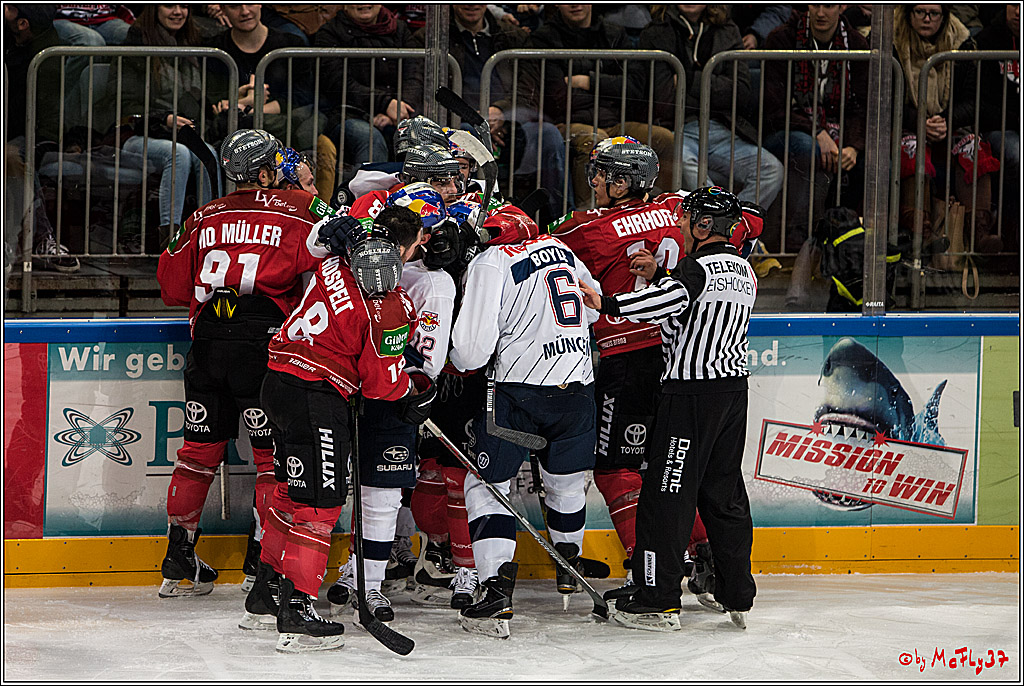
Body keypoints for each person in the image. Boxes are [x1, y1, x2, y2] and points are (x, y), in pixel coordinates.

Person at [246, 204, 434, 652]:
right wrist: (413, 392)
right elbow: (380, 384)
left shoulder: (336, 263)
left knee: (292, 492)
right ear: (405, 251)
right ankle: (298, 610)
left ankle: (268, 589)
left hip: (277, 382)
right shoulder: (391, 304)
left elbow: (319, 241)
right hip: (317, 397)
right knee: (321, 502)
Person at [155, 129, 333, 600]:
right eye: (278, 163)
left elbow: (172, 288)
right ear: (263, 172)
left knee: (197, 452)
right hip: (264, 345)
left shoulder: (201, 216)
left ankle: (178, 554)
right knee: (270, 460)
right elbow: (335, 262)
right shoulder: (300, 209)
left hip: (210, 342)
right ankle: (262, 559)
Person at [579, 186, 757, 632]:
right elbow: (692, 298)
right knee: (725, 495)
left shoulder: (694, 271)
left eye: (685, 220)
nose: (679, 225)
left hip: (690, 397)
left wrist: (607, 301)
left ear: (701, 226)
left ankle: (657, 598)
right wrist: (662, 271)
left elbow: (666, 303)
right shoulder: (743, 270)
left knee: (666, 496)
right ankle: (737, 590)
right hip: (732, 395)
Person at [447, 197, 601, 639]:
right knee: (566, 481)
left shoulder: (491, 261)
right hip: (578, 388)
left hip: (518, 393)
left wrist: (448, 361)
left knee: (486, 485)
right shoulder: (562, 248)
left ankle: (495, 589)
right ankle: (568, 565)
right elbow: (591, 308)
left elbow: (473, 351)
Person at [547, 136, 680, 579]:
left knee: (615, 468)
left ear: (624, 182)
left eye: (603, 173)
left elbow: (540, 242)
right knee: (669, 467)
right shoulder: (679, 209)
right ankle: (699, 556)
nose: (596, 181)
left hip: (628, 359)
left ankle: (646, 570)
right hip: (679, 355)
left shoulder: (589, 228)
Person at [324, 182, 459, 616]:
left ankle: (368, 578)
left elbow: (428, 360)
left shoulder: (433, 283)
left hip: (378, 391)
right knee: (347, 491)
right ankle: (361, 572)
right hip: (351, 386)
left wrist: (413, 384)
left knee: (378, 494)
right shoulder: (361, 258)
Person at [410, 5, 571, 218]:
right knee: (467, 135)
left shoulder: (513, 35)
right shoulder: (432, 37)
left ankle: (561, 222)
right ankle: (470, 217)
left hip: (511, 123)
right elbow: (428, 95)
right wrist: (477, 119)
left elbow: (530, 88)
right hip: (459, 124)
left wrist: (502, 111)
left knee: (549, 135)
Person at [527, 4, 677, 209]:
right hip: (568, 123)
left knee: (665, 139)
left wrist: (588, 82)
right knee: (594, 140)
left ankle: (657, 211)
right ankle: (588, 218)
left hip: (614, 121)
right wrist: (611, 91)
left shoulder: (614, 34)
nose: (575, 4)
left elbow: (634, 88)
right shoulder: (544, 38)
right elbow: (558, 98)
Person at [639, 5, 783, 212]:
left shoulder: (728, 30)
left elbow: (740, 92)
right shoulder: (655, 32)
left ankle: (731, 231)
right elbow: (664, 97)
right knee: (690, 171)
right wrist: (715, 87)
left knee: (770, 170)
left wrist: (688, 80)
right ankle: (718, 230)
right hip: (677, 129)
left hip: (721, 127)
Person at [894, 5, 1002, 253]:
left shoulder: (963, 41)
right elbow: (886, 97)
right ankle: (921, 231)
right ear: (909, 14)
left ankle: (979, 232)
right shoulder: (893, 41)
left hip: (949, 124)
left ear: (944, 17)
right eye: (920, 12)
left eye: (934, 13)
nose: (927, 19)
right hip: (906, 123)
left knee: (973, 147)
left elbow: (974, 99)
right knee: (910, 148)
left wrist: (945, 120)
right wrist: (919, 121)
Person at [763, 4, 870, 250]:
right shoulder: (781, 39)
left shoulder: (856, 43)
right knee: (807, 147)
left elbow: (861, 107)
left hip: (839, 131)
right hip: (785, 130)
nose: (820, 13)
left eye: (829, 5)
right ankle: (796, 240)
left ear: (842, 6)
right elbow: (774, 108)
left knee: (864, 161)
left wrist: (853, 146)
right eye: (815, 4)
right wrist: (817, 132)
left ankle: (844, 244)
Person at [118, 4, 223, 249]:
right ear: (154, 9)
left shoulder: (191, 46)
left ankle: (208, 236)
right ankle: (171, 241)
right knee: (178, 154)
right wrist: (163, 118)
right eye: (169, 5)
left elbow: (196, 99)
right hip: (134, 134)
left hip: (177, 135)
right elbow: (124, 104)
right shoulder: (136, 45)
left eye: (184, 6)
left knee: (208, 153)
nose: (177, 12)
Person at [315, 4, 415, 173]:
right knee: (370, 139)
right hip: (347, 114)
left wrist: (399, 109)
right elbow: (338, 83)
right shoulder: (329, 33)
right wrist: (384, 104)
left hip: (396, 113)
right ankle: (367, 198)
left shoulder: (401, 30)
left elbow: (415, 75)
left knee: (420, 135)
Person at [974, 4, 1019, 248]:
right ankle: (1012, 229)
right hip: (1000, 126)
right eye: (1013, 5)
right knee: (1015, 153)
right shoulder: (987, 39)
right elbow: (984, 103)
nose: (1018, 11)